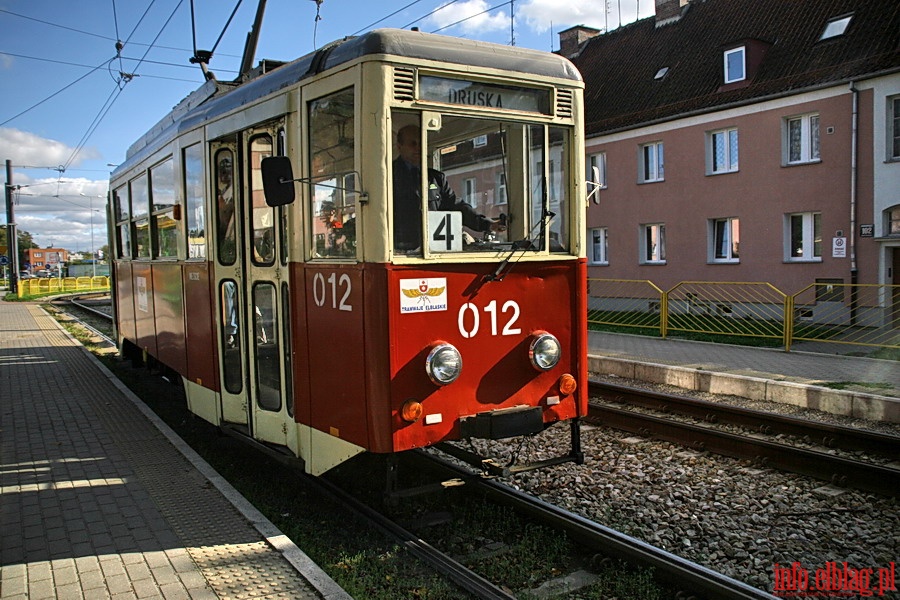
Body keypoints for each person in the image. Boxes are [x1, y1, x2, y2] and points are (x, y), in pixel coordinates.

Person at [392, 124, 499, 251]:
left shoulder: (435, 178)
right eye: (413, 144)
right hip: (400, 252)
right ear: (399, 147)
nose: (418, 148)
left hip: (432, 249)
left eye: (421, 143)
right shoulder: (388, 175)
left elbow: (456, 206)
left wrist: (487, 224)